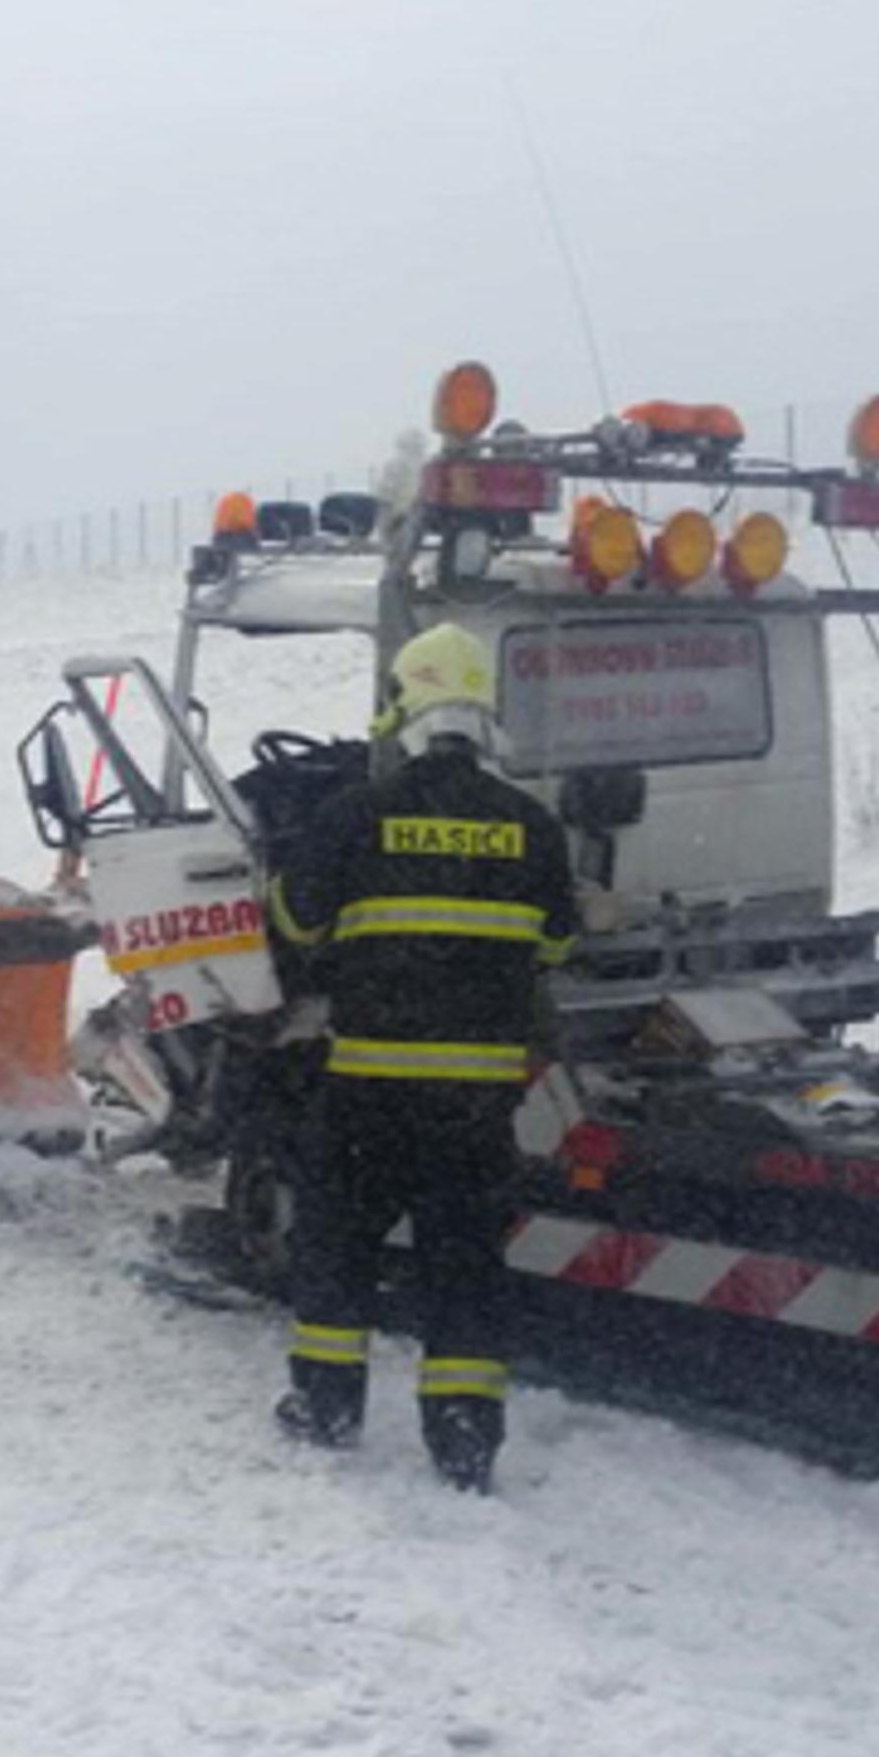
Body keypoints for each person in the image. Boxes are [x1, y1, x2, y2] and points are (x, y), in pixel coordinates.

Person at [267, 623, 580, 1493]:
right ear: (484, 715)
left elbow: (295, 923)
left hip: (367, 1090)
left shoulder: (354, 815)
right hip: (475, 1102)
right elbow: (555, 944)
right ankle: (463, 1438)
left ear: (399, 710)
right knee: (464, 1266)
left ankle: (327, 1407)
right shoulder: (531, 826)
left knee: (337, 1253)